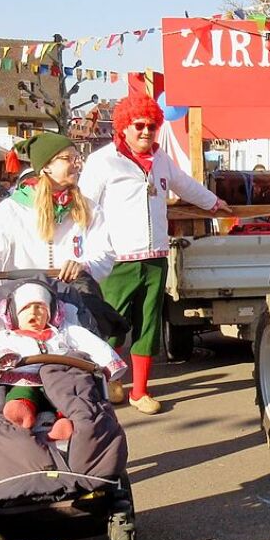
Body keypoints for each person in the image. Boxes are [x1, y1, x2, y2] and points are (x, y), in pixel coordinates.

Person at [78, 94, 230, 415]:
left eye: (152, 126)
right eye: (140, 126)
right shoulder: (102, 161)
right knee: (112, 324)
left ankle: (141, 390)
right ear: (124, 127)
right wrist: (82, 252)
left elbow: (184, 184)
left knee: (148, 325)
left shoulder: (160, 159)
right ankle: (109, 382)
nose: (146, 132)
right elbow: (84, 209)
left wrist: (212, 203)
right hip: (116, 259)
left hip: (156, 255)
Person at [0, 132, 114, 289]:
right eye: (68, 158)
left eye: (77, 158)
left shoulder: (88, 208)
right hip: (24, 303)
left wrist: (85, 266)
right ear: (46, 166)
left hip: (74, 301)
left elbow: (104, 254)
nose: (77, 164)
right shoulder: (11, 210)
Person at [0, 283, 126, 440]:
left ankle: (63, 421)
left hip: (60, 379)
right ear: (13, 315)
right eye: (26, 308)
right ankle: (22, 409)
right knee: (21, 393)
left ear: (52, 314)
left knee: (66, 397)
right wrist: (3, 357)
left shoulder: (63, 332)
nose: (34, 312)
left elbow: (92, 343)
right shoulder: (8, 337)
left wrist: (109, 363)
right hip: (25, 379)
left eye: (40, 308)